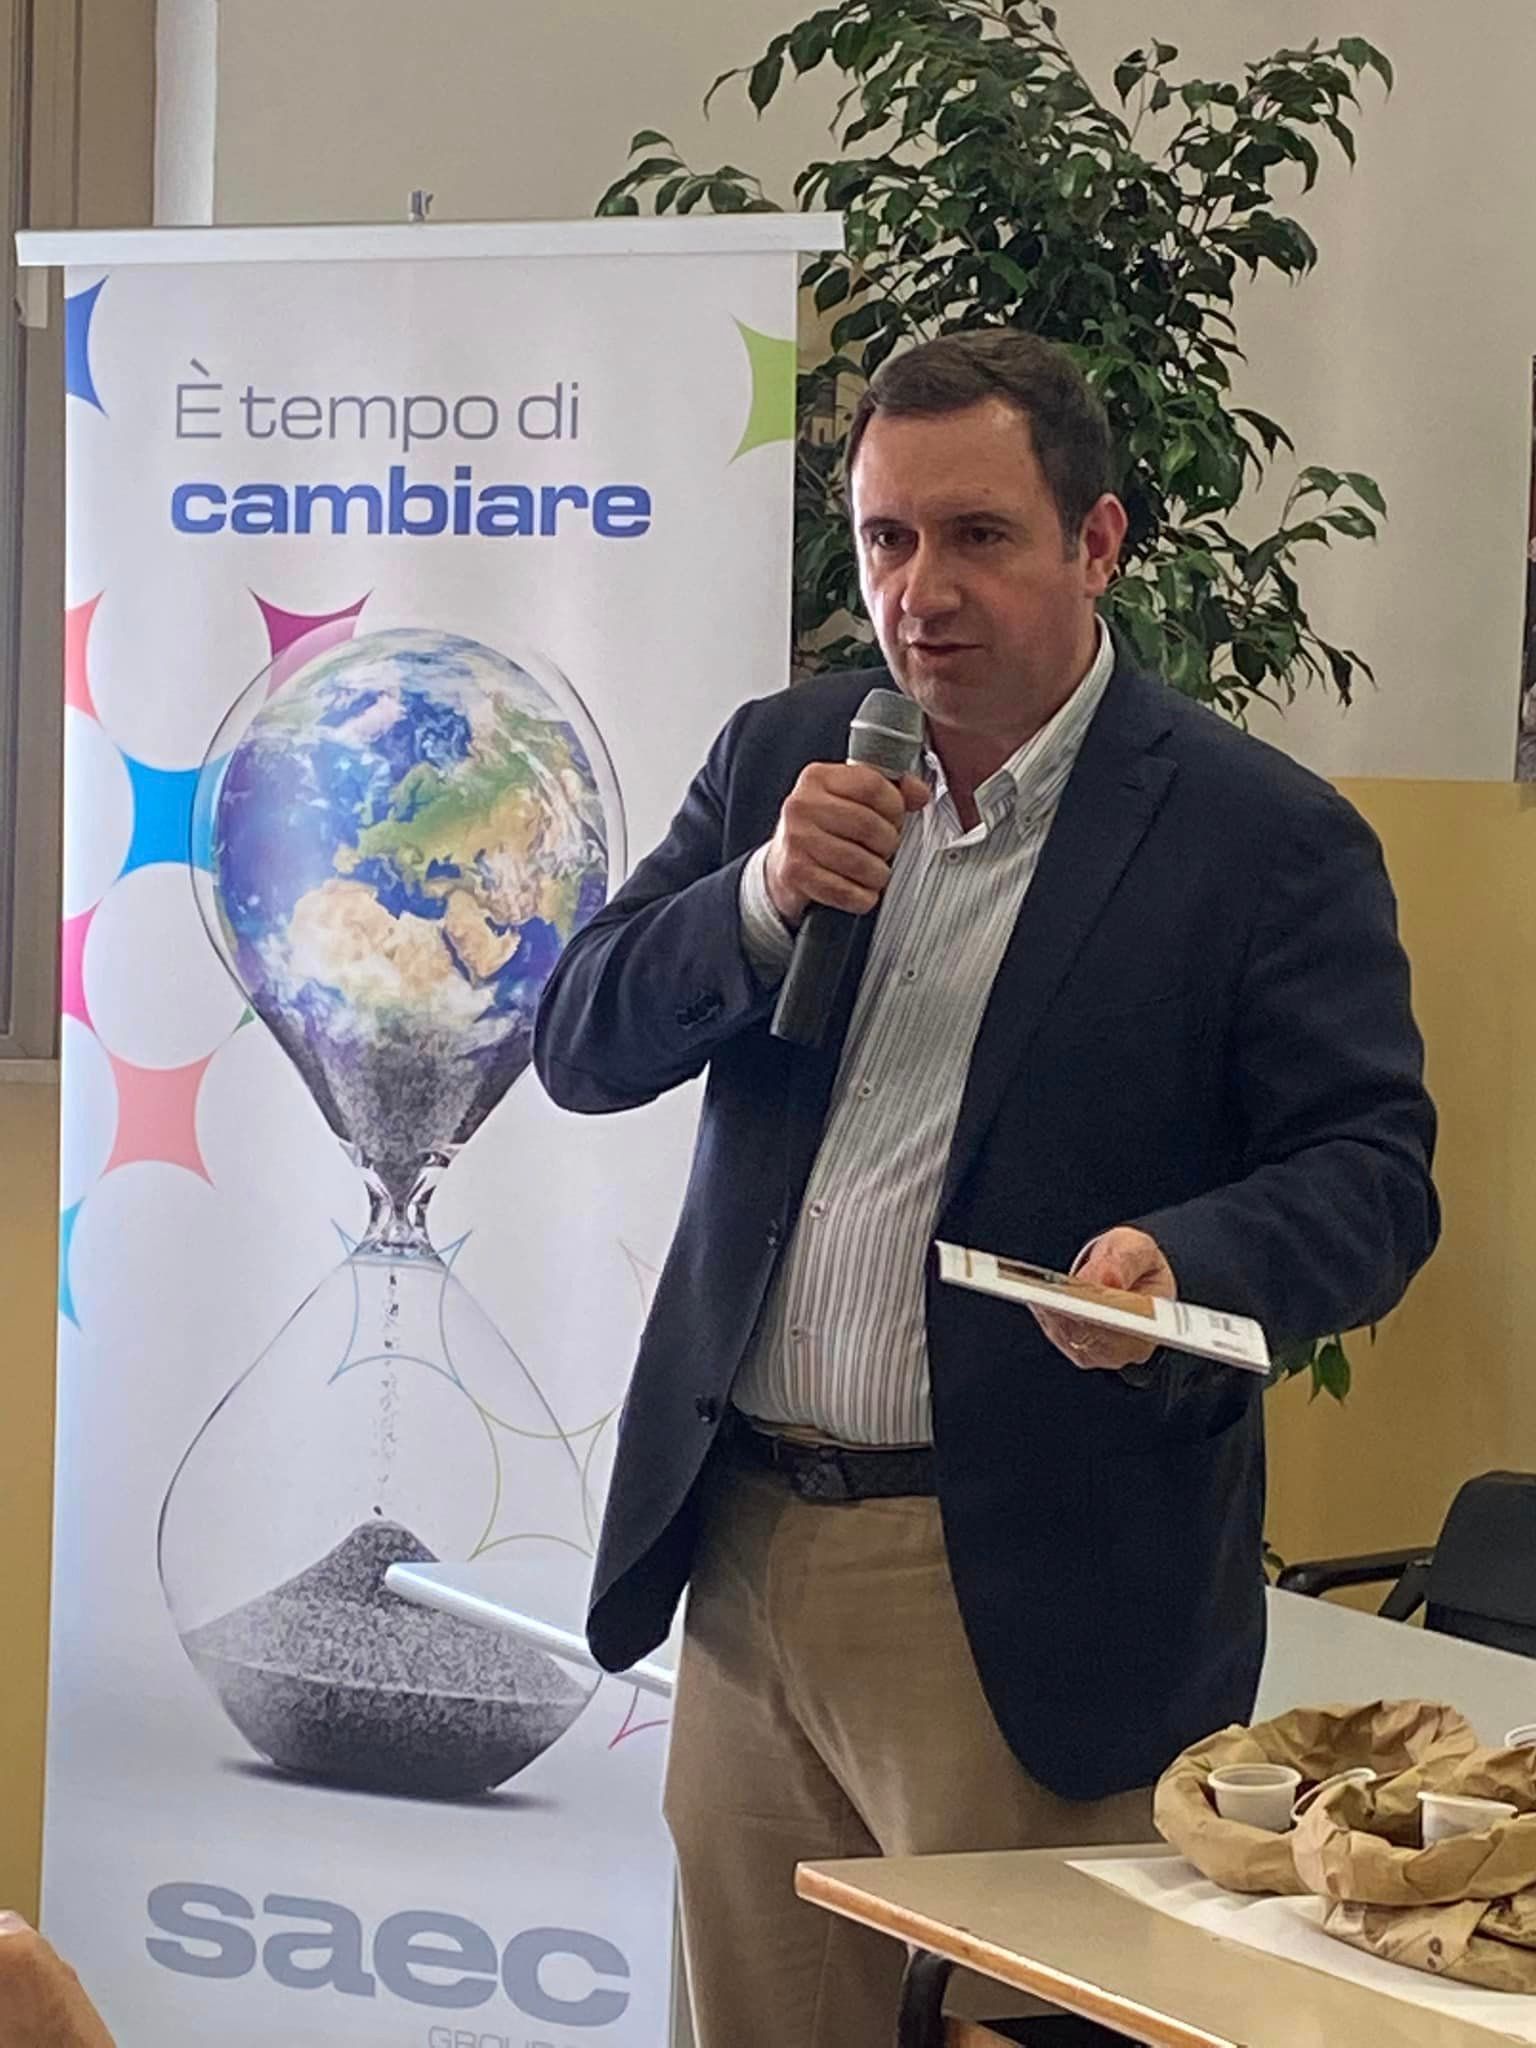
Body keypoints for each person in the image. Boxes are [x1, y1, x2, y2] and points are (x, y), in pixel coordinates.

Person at [533, 329, 1439, 2048]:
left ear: (1096, 544)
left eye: (977, 537)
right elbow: (578, 1042)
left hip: (1024, 1584)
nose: (920, 592)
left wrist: (1183, 1262)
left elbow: (1374, 1179)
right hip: (746, 1549)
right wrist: (759, 902)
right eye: (886, 539)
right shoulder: (788, 755)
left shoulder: (1260, 838)